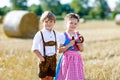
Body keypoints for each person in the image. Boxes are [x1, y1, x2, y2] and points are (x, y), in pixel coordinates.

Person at [54, 13, 84, 80]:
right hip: (67, 59)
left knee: (77, 77)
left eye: (75, 23)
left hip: (77, 59)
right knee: (68, 77)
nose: (73, 25)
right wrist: (69, 45)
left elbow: (82, 50)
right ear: (66, 23)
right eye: (71, 23)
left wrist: (80, 45)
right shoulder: (63, 35)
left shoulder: (78, 35)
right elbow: (59, 50)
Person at [32, 11, 60, 80]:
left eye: (51, 21)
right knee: (43, 78)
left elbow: (62, 41)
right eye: (46, 21)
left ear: (54, 22)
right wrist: (41, 57)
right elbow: (34, 48)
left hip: (53, 59)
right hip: (44, 59)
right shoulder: (39, 34)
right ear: (42, 22)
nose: (49, 23)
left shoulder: (56, 33)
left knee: (51, 77)